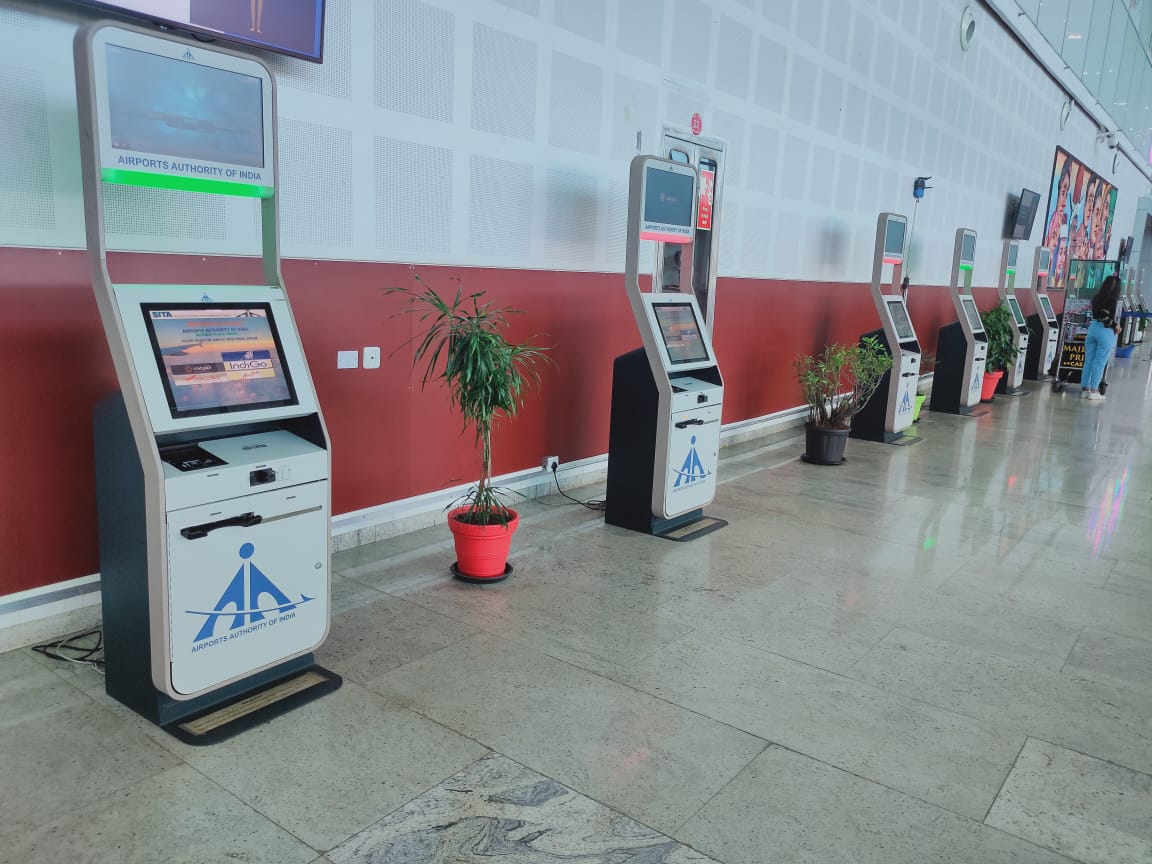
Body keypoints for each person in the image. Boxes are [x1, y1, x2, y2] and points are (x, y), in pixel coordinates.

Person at [1081, 274, 1122, 401]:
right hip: (1105, 332)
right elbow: (1104, 317)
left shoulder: (1097, 298)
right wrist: (1116, 326)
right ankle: (1094, 391)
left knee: (1089, 360)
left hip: (1092, 329)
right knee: (1099, 362)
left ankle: (1086, 389)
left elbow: (1098, 315)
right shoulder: (1112, 301)